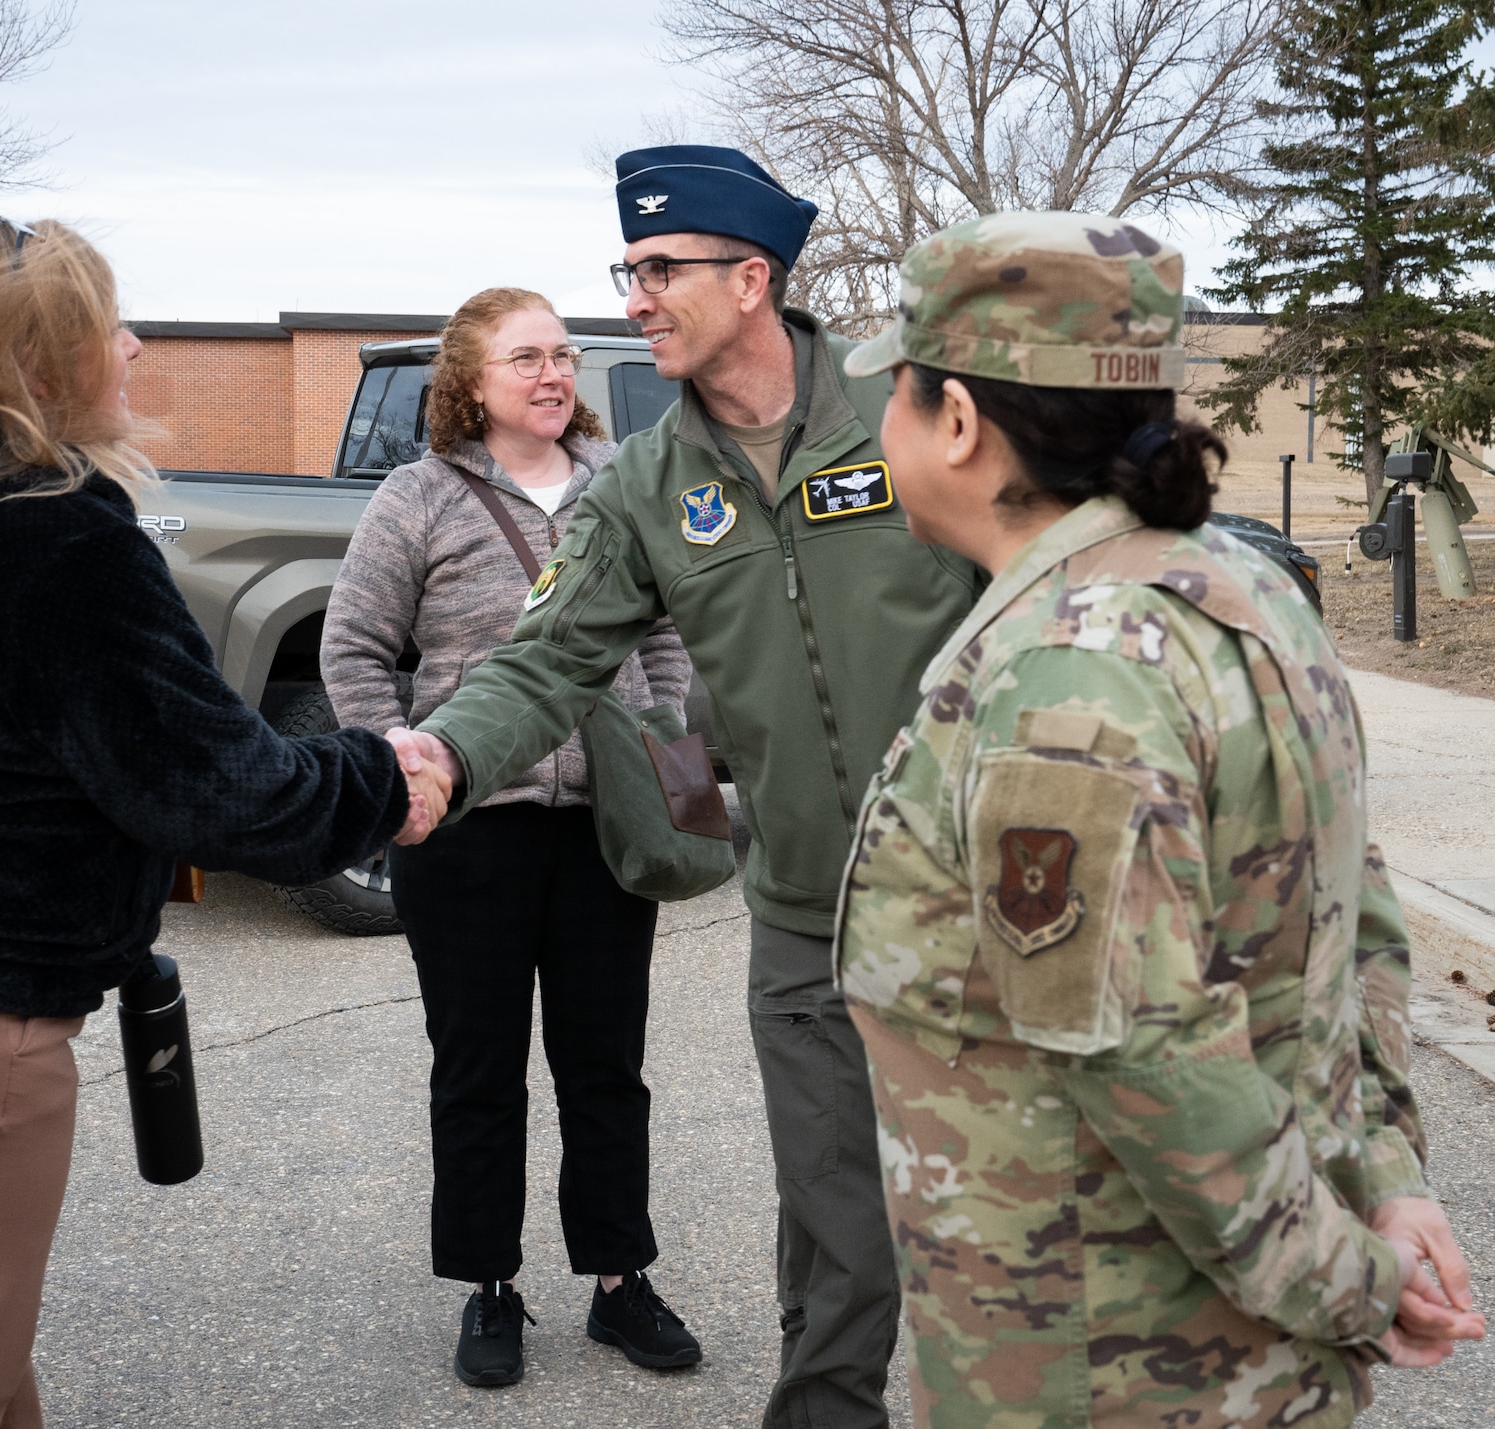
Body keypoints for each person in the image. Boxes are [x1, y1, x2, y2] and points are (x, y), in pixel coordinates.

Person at [0, 214, 438, 1429]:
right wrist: (392, 775)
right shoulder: (51, 533)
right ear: (44, 360)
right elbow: (216, 789)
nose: (138, 346)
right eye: (111, 326)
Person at [831, 210, 1485, 1427]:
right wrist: (1384, 1182)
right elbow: (1357, 921)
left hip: (1106, 1367)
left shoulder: (1065, 677)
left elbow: (1143, 1057)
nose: (885, 426)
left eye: (902, 394)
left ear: (959, 422)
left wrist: (1354, 1280)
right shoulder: (1242, 598)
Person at [388, 146, 985, 1427]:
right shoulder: (647, 482)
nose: (636, 296)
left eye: (660, 269)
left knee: (1001, 1231)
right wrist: (441, 751)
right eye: (631, 269)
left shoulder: (911, 405)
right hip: (805, 917)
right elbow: (543, 659)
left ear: (751, 278)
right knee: (835, 1227)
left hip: (979, 902)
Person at [322, 287, 699, 1387]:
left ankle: (619, 1281)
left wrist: (668, 764)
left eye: (563, 356)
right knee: (478, 1070)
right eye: (525, 358)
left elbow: (666, 641)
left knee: (604, 1068)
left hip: (600, 832)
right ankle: (489, 1284)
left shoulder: (619, 490)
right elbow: (351, 653)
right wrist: (400, 766)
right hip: (467, 837)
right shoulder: (417, 498)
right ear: (469, 384)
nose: (552, 375)